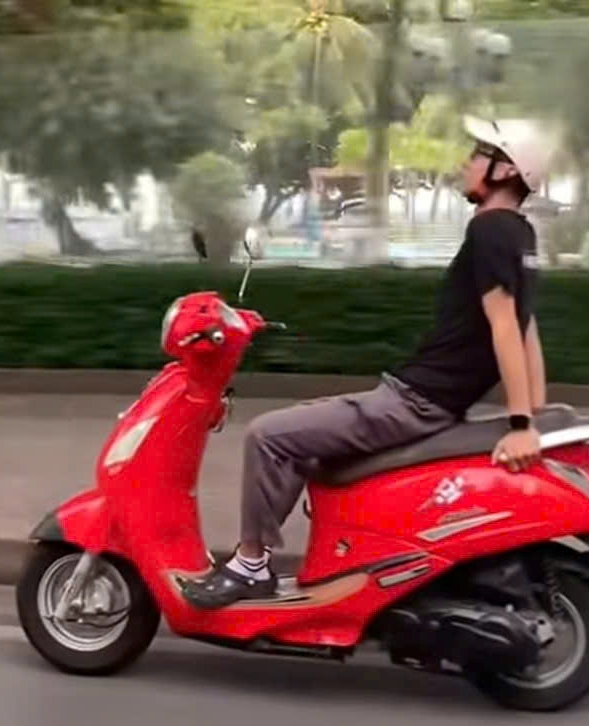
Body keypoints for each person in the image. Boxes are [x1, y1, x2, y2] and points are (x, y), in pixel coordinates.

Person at [182, 116, 553, 609]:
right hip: (431, 398)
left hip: (416, 400)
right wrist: (538, 406)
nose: (467, 164)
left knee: (268, 436)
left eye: (478, 155)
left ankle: (251, 565)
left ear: (505, 170)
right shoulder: (520, 234)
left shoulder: (488, 230)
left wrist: (524, 423)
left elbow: (506, 324)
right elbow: (527, 327)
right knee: (307, 447)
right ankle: (317, 570)